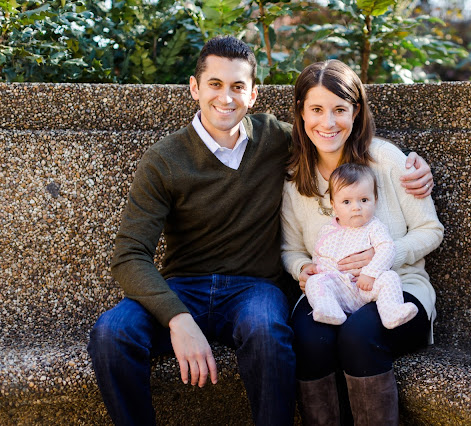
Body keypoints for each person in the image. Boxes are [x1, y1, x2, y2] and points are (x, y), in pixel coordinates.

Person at [87, 36, 434, 426]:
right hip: (183, 286)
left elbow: (327, 131)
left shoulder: (275, 139)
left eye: (238, 86)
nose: (226, 97)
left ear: (253, 94)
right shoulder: (164, 160)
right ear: (194, 88)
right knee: (110, 334)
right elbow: (129, 255)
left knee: (270, 333)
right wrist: (177, 318)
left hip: (253, 288)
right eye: (215, 84)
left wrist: (412, 165)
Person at [281, 60, 444, 425]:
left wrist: (384, 256)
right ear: (301, 113)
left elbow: (431, 230)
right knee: (308, 338)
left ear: (355, 111)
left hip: (399, 290)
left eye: (339, 109)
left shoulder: (386, 160)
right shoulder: (295, 180)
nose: (328, 122)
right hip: (334, 291)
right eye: (317, 110)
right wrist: (301, 269)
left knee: (357, 334)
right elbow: (290, 249)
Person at [305, 163, 418, 329]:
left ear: (375, 200)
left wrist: (371, 273)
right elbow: (320, 256)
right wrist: (317, 269)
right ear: (333, 204)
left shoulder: (374, 227)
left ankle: (391, 311)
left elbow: (387, 249)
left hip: (366, 286)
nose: (356, 208)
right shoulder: (327, 230)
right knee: (314, 282)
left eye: (364, 200)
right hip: (339, 289)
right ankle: (329, 310)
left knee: (390, 277)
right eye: (346, 202)